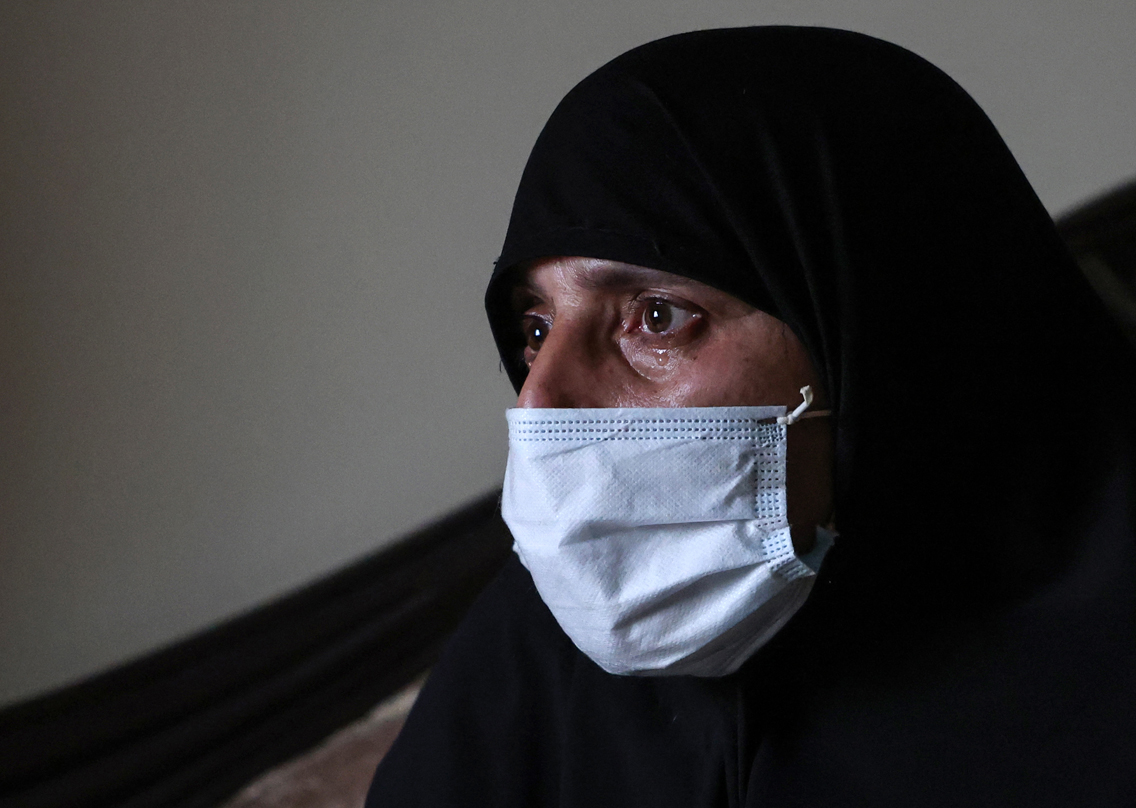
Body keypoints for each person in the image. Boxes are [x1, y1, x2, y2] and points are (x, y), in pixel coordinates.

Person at [367, 26, 1136, 806]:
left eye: (658, 318)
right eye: (535, 329)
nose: (538, 403)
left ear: (891, 331)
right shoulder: (539, 655)